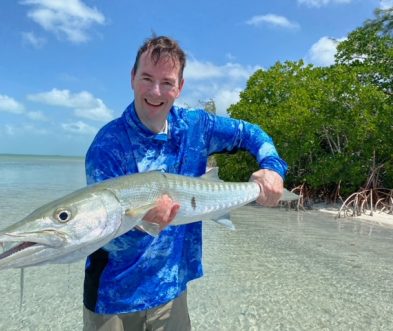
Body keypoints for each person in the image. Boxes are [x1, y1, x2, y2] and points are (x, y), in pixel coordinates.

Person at [83, 35, 288, 331]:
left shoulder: (195, 126)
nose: (156, 91)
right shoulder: (107, 146)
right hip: (113, 298)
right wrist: (144, 221)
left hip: (171, 291)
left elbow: (251, 133)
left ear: (179, 87)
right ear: (132, 78)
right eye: (147, 78)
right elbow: (99, 233)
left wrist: (272, 168)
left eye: (167, 82)